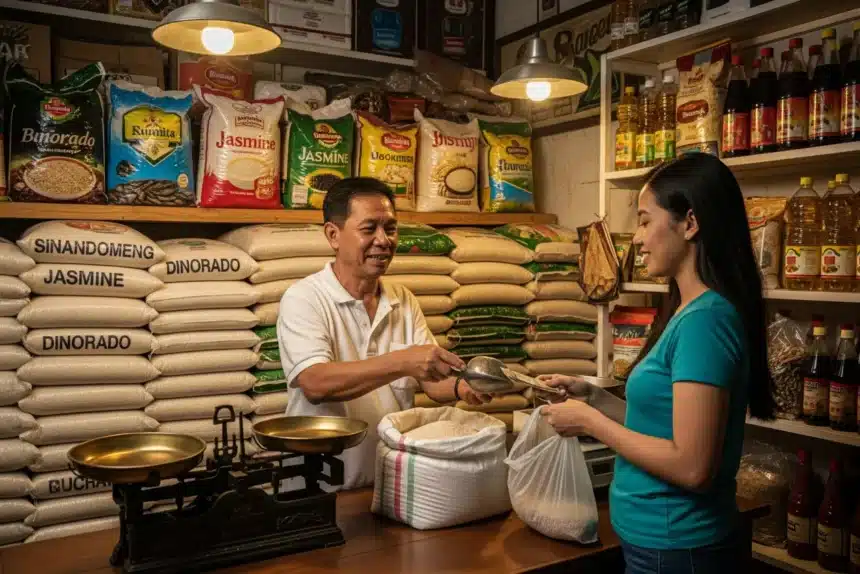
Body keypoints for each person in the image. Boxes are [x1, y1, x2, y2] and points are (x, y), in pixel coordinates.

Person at [539, 153, 775, 573]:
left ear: (689, 223)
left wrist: (591, 425)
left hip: (680, 548)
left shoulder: (705, 321)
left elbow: (692, 466)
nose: (637, 238)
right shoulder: (685, 311)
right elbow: (659, 425)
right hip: (659, 543)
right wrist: (593, 399)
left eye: (646, 221)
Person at [277, 177, 490, 490]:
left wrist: (465, 387)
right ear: (333, 235)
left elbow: (432, 382)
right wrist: (403, 362)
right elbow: (315, 383)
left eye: (390, 228)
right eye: (369, 229)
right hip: (321, 488)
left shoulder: (402, 300)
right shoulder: (305, 298)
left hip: (387, 483)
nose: (384, 240)